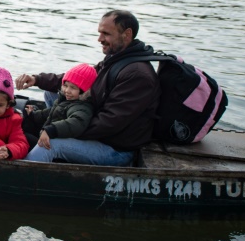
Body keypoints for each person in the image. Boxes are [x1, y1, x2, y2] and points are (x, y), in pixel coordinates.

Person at [15, 10, 160, 166]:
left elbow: (109, 123)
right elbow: (77, 79)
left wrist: (59, 130)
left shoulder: (137, 75)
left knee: (50, 145)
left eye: (106, 34)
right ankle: (49, 131)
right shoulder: (115, 58)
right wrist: (37, 80)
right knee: (51, 92)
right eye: (100, 33)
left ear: (127, 34)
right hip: (96, 126)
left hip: (114, 148)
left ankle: (20, 174)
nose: (100, 39)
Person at [22, 63, 97, 157]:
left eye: (73, 87)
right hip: (46, 133)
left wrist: (51, 130)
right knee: (24, 125)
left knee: (25, 137)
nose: (67, 91)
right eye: (65, 85)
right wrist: (33, 114)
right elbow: (51, 112)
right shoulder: (66, 100)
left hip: (53, 141)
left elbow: (75, 123)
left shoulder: (83, 108)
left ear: (84, 91)